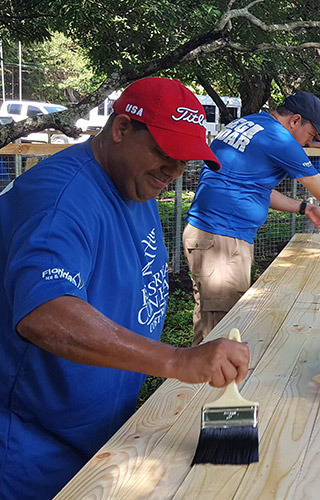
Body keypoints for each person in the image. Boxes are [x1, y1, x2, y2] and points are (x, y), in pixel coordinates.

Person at [0, 77, 251, 499]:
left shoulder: (134, 186)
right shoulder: (61, 201)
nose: (173, 173)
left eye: (184, 161)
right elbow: (45, 313)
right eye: (165, 154)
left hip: (100, 434)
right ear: (120, 130)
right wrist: (176, 361)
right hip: (32, 453)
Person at [184, 91, 320, 344]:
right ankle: (211, 382)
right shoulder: (279, 139)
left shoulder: (249, 123)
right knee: (221, 332)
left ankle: (206, 377)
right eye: (311, 135)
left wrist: (305, 207)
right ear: (295, 120)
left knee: (211, 318)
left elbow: (254, 188)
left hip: (211, 236)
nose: (307, 143)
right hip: (221, 238)